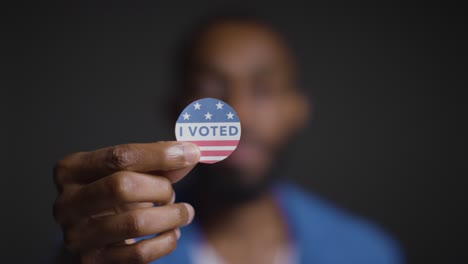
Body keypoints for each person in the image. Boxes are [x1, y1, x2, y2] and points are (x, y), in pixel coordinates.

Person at [53, 14, 403, 264]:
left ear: (297, 110)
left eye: (263, 89)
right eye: (210, 91)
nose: (239, 114)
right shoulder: (118, 245)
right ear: (176, 109)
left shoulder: (367, 252)